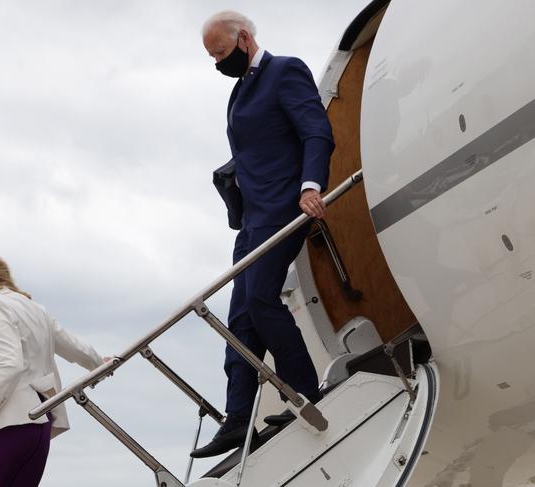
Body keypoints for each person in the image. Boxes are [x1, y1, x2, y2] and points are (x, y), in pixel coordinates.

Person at [192, 11, 335, 458]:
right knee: (239, 316)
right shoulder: (238, 92)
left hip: (285, 209)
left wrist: (311, 186)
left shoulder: (285, 71)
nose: (217, 63)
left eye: (220, 53)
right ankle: (237, 418)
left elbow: (317, 132)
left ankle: (305, 390)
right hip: (252, 218)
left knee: (261, 298)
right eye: (211, 57)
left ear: (245, 39)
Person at [0, 247, 106, 486]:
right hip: (37, 431)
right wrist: (101, 362)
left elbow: (10, 364)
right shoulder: (36, 309)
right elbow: (73, 347)